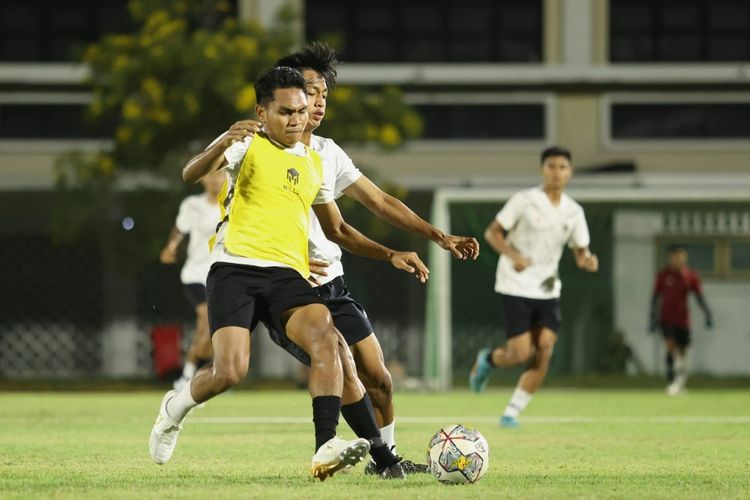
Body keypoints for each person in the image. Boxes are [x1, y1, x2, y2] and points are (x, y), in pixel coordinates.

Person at [149, 66, 429, 481]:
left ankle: (324, 448)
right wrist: (222, 142)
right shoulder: (246, 144)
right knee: (230, 371)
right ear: (262, 112)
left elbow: (334, 228)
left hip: (287, 276)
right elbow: (190, 173)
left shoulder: (314, 162)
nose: (297, 119)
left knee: (329, 340)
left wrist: (384, 253)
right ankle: (175, 408)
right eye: (285, 112)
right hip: (234, 269)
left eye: (302, 110)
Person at [469, 145, 598, 428]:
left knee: (545, 349)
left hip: (548, 289)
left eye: (562, 167)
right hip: (516, 285)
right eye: (551, 166)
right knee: (519, 354)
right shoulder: (524, 200)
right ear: (542, 169)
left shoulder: (574, 212)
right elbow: (492, 232)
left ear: (570, 172)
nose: (557, 172)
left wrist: (587, 260)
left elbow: (580, 252)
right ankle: (488, 359)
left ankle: (511, 413)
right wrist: (514, 256)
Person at [159, 169, 226, 391]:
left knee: (212, 332)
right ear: (203, 178)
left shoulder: (236, 202)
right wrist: (170, 247)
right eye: (211, 175)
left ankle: (200, 375)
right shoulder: (192, 205)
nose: (216, 179)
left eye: (220, 174)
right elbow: (179, 229)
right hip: (196, 275)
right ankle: (187, 377)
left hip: (222, 276)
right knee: (206, 322)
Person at [649, 245, 713, 396]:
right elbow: (655, 298)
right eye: (674, 257)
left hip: (683, 321)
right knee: (670, 348)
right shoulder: (663, 275)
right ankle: (672, 382)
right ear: (670, 258)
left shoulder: (690, 275)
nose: (677, 260)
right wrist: (652, 318)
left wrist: (707, 314)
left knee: (683, 353)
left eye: (680, 257)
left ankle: (680, 382)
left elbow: (699, 297)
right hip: (666, 319)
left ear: (684, 258)